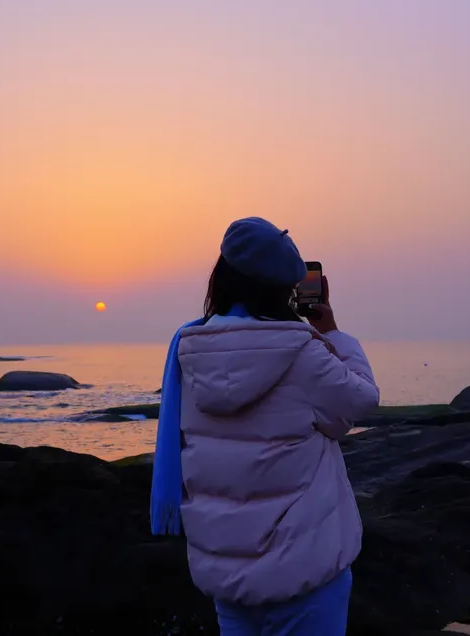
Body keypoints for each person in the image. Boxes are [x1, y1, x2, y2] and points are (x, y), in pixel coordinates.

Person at [151, 217, 379, 636]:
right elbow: (360, 401)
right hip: (304, 573)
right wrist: (332, 334)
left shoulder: (189, 349)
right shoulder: (303, 351)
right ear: (285, 288)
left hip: (228, 575)